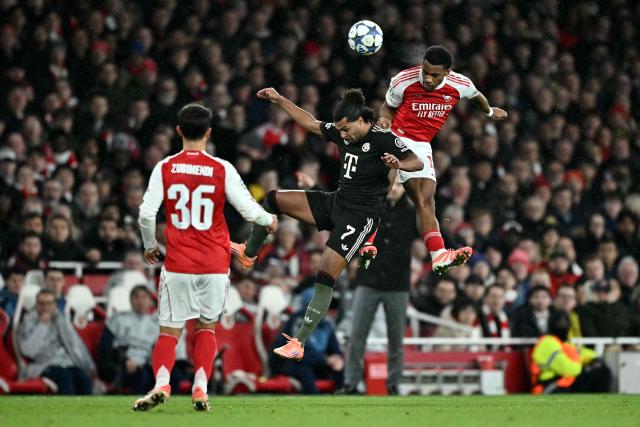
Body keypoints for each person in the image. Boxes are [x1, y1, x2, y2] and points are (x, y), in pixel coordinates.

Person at [231, 87, 423, 361]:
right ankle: (249, 253)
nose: (341, 135)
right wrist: (279, 99)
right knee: (273, 199)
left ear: (361, 121)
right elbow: (309, 122)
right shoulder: (344, 129)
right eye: (339, 130)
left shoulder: (384, 139)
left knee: (324, 272)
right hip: (336, 202)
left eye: (346, 130)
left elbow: (416, 160)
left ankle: (299, 341)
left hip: (360, 217)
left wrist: (400, 165)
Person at [132, 103, 278, 412]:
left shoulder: (165, 167)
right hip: (214, 265)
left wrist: (149, 246)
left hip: (178, 264)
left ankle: (161, 384)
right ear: (209, 133)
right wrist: (269, 220)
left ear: (178, 131)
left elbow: (146, 215)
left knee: (170, 332)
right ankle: (200, 389)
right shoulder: (221, 168)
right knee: (206, 328)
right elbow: (252, 213)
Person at [370, 45, 507, 275]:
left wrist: (490, 112)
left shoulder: (460, 84)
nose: (428, 78)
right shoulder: (404, 79)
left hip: (421, 145)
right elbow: (387, 107)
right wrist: (384, 120)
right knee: (382, 187)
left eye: (435, 74)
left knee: (426, 201)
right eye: (425, 71)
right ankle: (366, 243)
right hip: (396, 135)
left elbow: (477, 97)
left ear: (448, 72)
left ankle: (438, 255)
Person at [339, 177, 415, 395]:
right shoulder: (369, 209)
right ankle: (351, 382)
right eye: (391, 184)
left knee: (396, 337)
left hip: (397, 284)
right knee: (357, 335)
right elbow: (343, 209)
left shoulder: (412, 213)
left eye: (399, 185)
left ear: (405, 188)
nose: (393, 189)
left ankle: (395, 383)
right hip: (369, 280)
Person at [18, 289, 95, 395]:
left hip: (66, 363)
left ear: (55, 305)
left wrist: (90, 367)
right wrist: (42, 325)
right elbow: (28, 351)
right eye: (41, 303)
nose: (45, 307)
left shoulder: (61, 318)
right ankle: (65, 411)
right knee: (64, 377)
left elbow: (75, 344)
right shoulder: (28, 321)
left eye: (49, 303)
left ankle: (87, 411)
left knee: (83, 378)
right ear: (36, 305)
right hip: (43, 365)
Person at [270, 288, 344, 394]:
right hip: (289, 363)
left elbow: (334, 348)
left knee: (339, 365)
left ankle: (341, 396)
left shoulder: (326, 324)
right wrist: (326, 360)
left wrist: (336, 358)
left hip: (317, 363)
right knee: (305, 371)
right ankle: (315, 402)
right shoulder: (297, 321)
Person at [98, 285, 158, 394]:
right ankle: (137, 408)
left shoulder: (155, 326)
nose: (140, 301)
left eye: (144, 297)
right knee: (141, 375)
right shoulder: (117, 319)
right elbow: (104, 348)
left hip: (146, 363)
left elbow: (158, 352)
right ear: (130, 301)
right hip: (120, 363)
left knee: (171, 375)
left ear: (150, 302)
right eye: (136, 297)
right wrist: (124, 359)